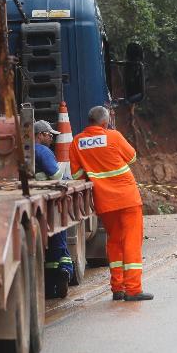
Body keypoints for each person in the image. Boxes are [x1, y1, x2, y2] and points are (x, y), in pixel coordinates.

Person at [69, 106, 153, 302]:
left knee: (114, 242)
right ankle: (133, 289)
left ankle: (118, 288)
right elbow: (132, 156)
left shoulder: (77, 142)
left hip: (104, 201)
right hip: (127, 198)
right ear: (105, 123)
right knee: (131, 241)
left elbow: (76, 175)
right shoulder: (113, 136)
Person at [33, 120, 74, 299]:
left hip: (36, 200)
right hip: (50, 201)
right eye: (50, 135)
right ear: (40, 135)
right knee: (59, 239)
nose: (51, 139)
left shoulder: (22, 151)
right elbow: (56, 175)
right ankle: (65, 270)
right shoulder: (43, 151)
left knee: (50, 251)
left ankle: (49, 287)